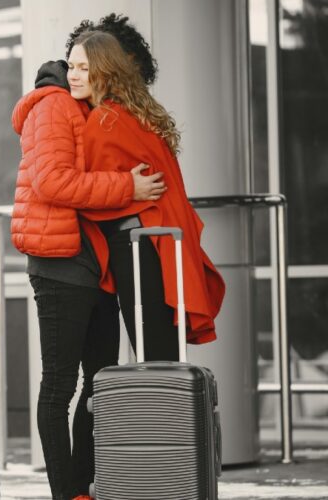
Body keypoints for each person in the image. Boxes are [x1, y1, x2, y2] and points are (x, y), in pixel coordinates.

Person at [11, 14, 179, 500]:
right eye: (75, 65)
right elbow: (54, 183)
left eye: (88, 66)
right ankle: (67, 492)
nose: (80, 73)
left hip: (94, 267)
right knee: (59, 387)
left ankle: (85, 485)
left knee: (100, 382)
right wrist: (128, 186)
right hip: (61, 266)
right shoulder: (53, 108)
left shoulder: (86, 110)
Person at [68, 30, 226, 362]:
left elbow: (87, 195)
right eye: (71, 66)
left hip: (137, 247)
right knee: (165, 356)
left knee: (153, 358)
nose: (73, 75)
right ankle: (174, 413)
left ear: (105, 70)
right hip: (159, 245)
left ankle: (162, 414)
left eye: (84, 67)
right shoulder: (135, 115)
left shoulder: (103, 120)